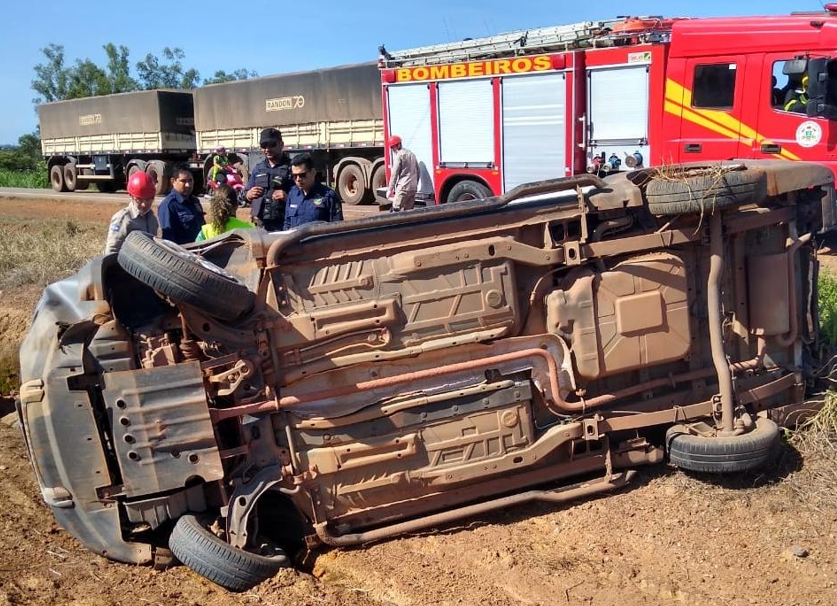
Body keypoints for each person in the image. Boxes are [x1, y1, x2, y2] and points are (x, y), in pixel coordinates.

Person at [241, 128, 293, 231]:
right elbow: (242, 195)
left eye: (272, 145)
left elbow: (303, 196)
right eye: (264, 146)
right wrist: (248, 195)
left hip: (284, 225)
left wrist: (288, 197)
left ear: (281, 145)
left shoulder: (291, 167)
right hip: (261, 225)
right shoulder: (258, 168)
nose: (267, 149)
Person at [283, 154, 343, 230]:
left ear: (313, 172)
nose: (298, 179)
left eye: (302, 175)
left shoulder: (328, 196)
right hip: (296, 241)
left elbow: (337, 227)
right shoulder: (292, 194)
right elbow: (287, 223)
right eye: (294, 176)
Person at [104, 171, 159, 254]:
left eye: (148, 200)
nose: (144, 204)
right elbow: (112, 251)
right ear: (131, 196)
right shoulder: (123, 219)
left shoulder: (152, 219)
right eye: (139, 200)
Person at [158, 166, 205, 244]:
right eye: (183, 181)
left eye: (190, 181)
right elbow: (168, 239)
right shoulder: (169, 205)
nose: (188, 185)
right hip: (182, 253)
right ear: (173, 181)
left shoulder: (195, 202)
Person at [386, 135, 419, 211]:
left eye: (393, 147)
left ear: (398, 145)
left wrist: (390, 189)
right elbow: (418, 171)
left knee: (395, 209)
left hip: (403, 188)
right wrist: (415, 184)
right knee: (409, 212)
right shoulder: (412, 154)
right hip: (413, 188)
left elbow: (394, 174)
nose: (392, 150)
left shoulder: (399, 156)